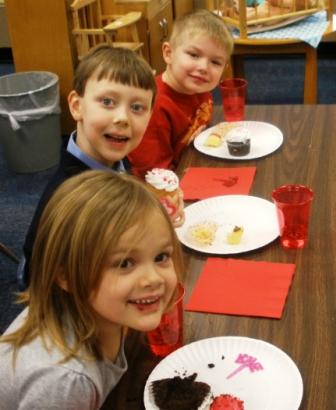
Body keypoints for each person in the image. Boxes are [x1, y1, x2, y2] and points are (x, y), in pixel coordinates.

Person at [0, 170, 183, 408]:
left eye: (161, 257)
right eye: (125, 263)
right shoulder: (65, 383)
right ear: (65, 275)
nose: (153, 278)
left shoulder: (103, 312)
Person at [19, 45, 183, 290]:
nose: (123, 118)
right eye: (108, 102)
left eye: (137, 107)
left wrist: (155, 204)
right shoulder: (72, 197)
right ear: (76, 106)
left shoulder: (114, 159)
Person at [128, 9, 234, 178]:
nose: (203, 68)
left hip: (192, 163)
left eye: (215, 62)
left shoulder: (199, 88)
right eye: (193, 55)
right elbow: (153, 175)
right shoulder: (153, 106)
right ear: (168, 53)